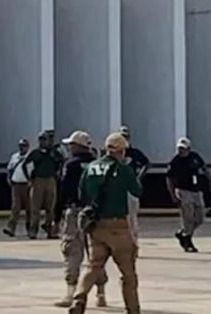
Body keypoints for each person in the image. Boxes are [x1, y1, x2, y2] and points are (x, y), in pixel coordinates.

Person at [68, 132, 142, 314]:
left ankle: (78, 299)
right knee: (128, 273)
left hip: (96, 225)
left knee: (93, 266)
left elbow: (82, 194)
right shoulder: (123, 169)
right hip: (118, 226)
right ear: (121, 151)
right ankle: (133, 308)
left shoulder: (91, 167)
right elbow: (137, 190)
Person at [55, 131, 105, 308]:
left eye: (71, 144)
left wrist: (57, 214)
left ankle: (71, 293)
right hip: (95, 213)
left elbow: (64, 190)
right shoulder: (98, 164)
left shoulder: (71, 165)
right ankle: (101, 293)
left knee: (72, 250)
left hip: (76, 211)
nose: (69, 147)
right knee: (96, 253)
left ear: (78, 146)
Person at [166, 137, 211, 252]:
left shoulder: (194, 157)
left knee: (200, 217)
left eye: (183, 149)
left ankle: (183, 232)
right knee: (187, 218)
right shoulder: (175, 161)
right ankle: (188, 241)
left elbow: (204, 168)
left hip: (196, 190)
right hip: (183, 191)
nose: (181, 151)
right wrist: (173, 195)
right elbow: (169, 179)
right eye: (179, 149)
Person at [25, 130, 65, 239]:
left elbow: (61, 161)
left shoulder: (54, 153)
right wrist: (29, 178)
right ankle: (33, 230)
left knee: (50, 208)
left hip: (50, 180)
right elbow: (25, 164)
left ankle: (50, 230)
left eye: (45, 139)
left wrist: (58, 172)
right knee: (35, 208)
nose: (44, 142)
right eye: (41, 139)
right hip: (38, 180)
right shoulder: (35, 153)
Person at [119, 125, 150, 244]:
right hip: (117, 188)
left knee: (132, 217)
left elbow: (146, 164)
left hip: (131, 188)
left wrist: (138, 178)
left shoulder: (134, 153)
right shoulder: (114, 153)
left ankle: (133, 241)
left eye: (125, 137)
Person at [3, 139, 32, 237]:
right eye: (21, 146)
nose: (22, 148)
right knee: (15, 208)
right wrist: (9, 178)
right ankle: (11, 228)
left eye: (24, 146)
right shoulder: (14, 157)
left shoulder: (30, 157)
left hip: (27, 185)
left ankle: (30, 229)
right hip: (16, 185)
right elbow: (10, 168)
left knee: (29, 208)